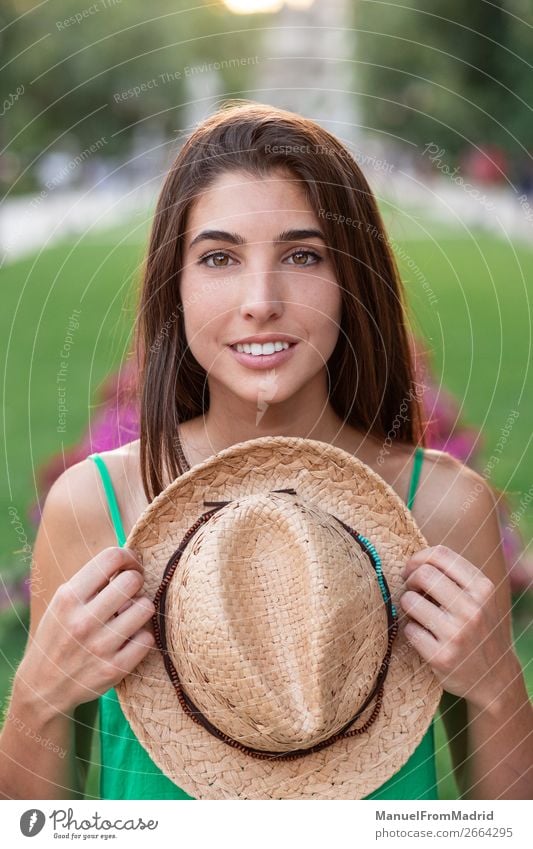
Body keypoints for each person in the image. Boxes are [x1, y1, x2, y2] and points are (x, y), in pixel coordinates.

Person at [1, 101, 531, 800]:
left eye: (302, 255)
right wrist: (38, 694)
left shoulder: (439, 509)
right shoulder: (96, 507)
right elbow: (33, 827)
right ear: (176, 285)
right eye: (218, 257)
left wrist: (496, 689)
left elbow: (506, 826)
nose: (260, 300)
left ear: (352, 280)